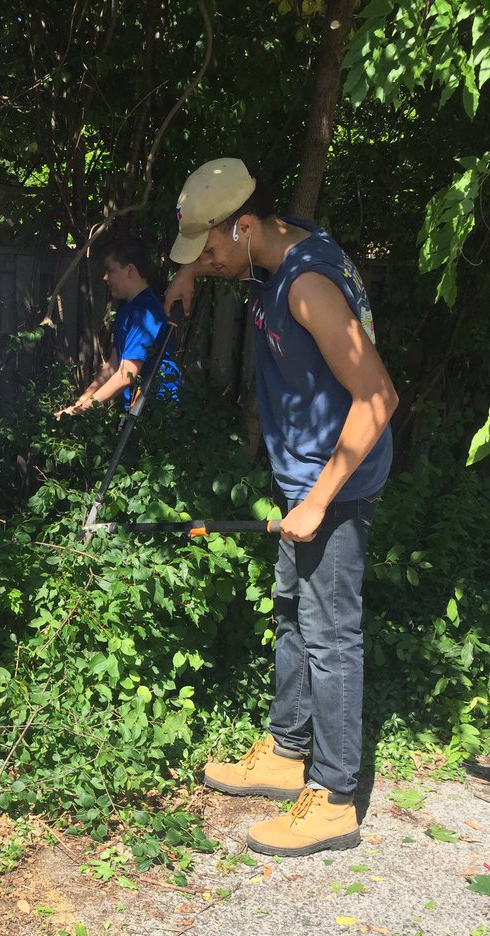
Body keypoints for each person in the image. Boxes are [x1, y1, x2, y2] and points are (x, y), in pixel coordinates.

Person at [164, 158, 398, 858]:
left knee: (330, 633)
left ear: (242, 226)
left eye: (209, 251)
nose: (205, 263)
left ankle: (333, 796)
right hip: (305, 483)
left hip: (337, 485)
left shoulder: (308, 286)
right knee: (293, 612)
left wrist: (320, 499)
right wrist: (188, 273)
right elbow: (221, 257)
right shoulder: (276, 244)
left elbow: (379, 396)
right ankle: (289, 751)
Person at [55, 234, 180, 419]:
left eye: (110, 270)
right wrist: (79, 402)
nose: (105, 277)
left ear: (130, 270)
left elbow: (127, 373)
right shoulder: (127, 307)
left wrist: (83, 409)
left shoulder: (145, 312)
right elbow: (113, 365)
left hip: (157, 408)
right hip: (137, 406)